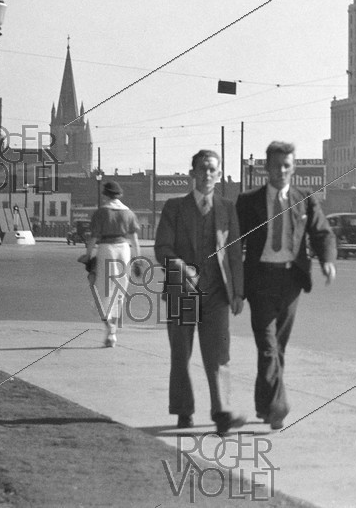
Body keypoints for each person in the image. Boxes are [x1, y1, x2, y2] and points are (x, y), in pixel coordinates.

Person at [236, 140, 337, 430]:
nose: (281, 171)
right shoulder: (248, 201)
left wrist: (327, 260)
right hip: (260, 279)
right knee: (267, 345)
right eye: (276, 165)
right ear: (266, 168)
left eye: (286, 166)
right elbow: (234, 242)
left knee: (277, 347)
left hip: (291, 280)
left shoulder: (305, 198)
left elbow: (322, 233)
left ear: (293, 168)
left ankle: (263, 405)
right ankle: (279, 408)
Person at [155, 149, 246, 434]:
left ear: (219, 175)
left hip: (217, 293)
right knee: (181, 354)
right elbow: (162, 248)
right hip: (181, 291)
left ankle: (222, 413)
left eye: (213, 170)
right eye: (202, 169)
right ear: (192, 173)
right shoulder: (174, 207)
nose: (208, 174)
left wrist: (238, 292)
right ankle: (184, 411)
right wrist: (180, 266)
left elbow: (234, 253)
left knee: (219, 354)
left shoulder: (227, 208)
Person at [84, 180, 142, 347]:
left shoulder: (101, 213)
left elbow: (93, 238)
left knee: (103, 290)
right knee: (120, 290)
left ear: (105, 195)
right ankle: (113, 332)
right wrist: (137, 259)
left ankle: (109, 328)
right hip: (124, 250)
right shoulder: (129, 213)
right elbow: (135, 241)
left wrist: (88, 256)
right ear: (119, 195)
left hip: (106, 249)